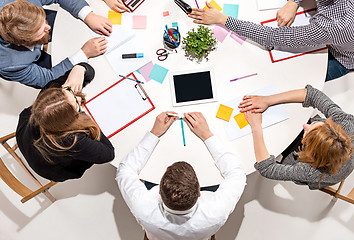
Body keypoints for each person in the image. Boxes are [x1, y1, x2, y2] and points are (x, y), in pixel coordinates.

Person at [116, 111, 246, 240]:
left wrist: (154, 133)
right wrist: (206, 135)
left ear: (160, 192)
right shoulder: (216, 212)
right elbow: (237, 173)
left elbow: (125, 170)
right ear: (200, 192)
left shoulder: (143, 208)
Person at [188, 0, 354, 81]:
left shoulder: (337, 25)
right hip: (331, 31)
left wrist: (222, 19)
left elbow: (273, 37)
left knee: (289, 80)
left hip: (342, 57)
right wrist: (293, 2)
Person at [238, 85, 354, 189]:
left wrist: (256, 126)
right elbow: (312, 94)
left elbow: (267, 168)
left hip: (310, 164)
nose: (305, 125)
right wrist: (267, 100)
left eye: (307, 133)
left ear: (310, 151)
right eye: (314, 124)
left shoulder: (310, 171)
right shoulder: (347, 123)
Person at [16, 63, 115, 182]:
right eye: (77, 106)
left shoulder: (52, 97)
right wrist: (85, 118)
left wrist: (79, 69)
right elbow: (109, 153)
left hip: (25, 135)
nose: (78, 98)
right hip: (48, 168)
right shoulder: (72, 140)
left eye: (69, 92)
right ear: (69, 121)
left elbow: (89, 74)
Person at [0, 0, 110, 87]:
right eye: (41, 32)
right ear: (21, 43)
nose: (48, 28)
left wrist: (88, 15)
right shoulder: (9, 65)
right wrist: (84, 54)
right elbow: (47, 78)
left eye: (44, 22)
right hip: (26, 62)